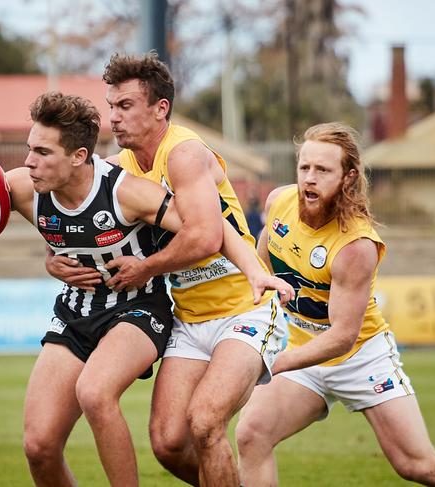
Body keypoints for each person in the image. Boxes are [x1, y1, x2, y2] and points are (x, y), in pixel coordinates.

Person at [0, 92, 291, 487]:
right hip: (76, 311)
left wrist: (254, 271)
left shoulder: (125, 191)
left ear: (78, 157)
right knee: (39, 446)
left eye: (42, 151)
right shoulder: (25, 187)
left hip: (137, 309)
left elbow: (208, 225)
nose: (28, 162)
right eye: (28, 149)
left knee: (94, 391)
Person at [45, 52, 290, 486]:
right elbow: (80, 213)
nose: (113, 118)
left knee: (205, 422)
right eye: (110, 106)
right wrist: (55, 259)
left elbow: (204, 236)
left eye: (125, 106)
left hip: (243, 312)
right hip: (189, 319)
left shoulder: (184, 153)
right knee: (168, 442)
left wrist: (146, 268)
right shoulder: (119, 169)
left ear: (160, 109)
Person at [235, 122, 435, 486]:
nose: (309, 179)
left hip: (360, 357)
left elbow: (343, 336)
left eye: (323, 170)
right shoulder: (278, 201)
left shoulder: (356, 244)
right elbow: (263, 261)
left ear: (348, 178)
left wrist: (270, 362)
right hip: (302, 351)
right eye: (304, 168)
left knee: (418, 465)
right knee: (251, 434)